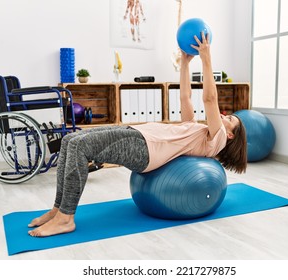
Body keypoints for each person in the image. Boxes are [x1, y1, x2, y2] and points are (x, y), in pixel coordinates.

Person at [28, 32, 247, 237]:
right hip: (139, 134)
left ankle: (66, 218)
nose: (224, 116)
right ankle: (58, 209)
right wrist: (185, 63)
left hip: (144, 149)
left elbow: (209, 99)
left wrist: (206, 58)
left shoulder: (215, 140)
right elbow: (185, 97)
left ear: (230, 136)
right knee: (69, 139)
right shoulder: (198, 130)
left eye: (230, 120)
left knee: (80, 147)